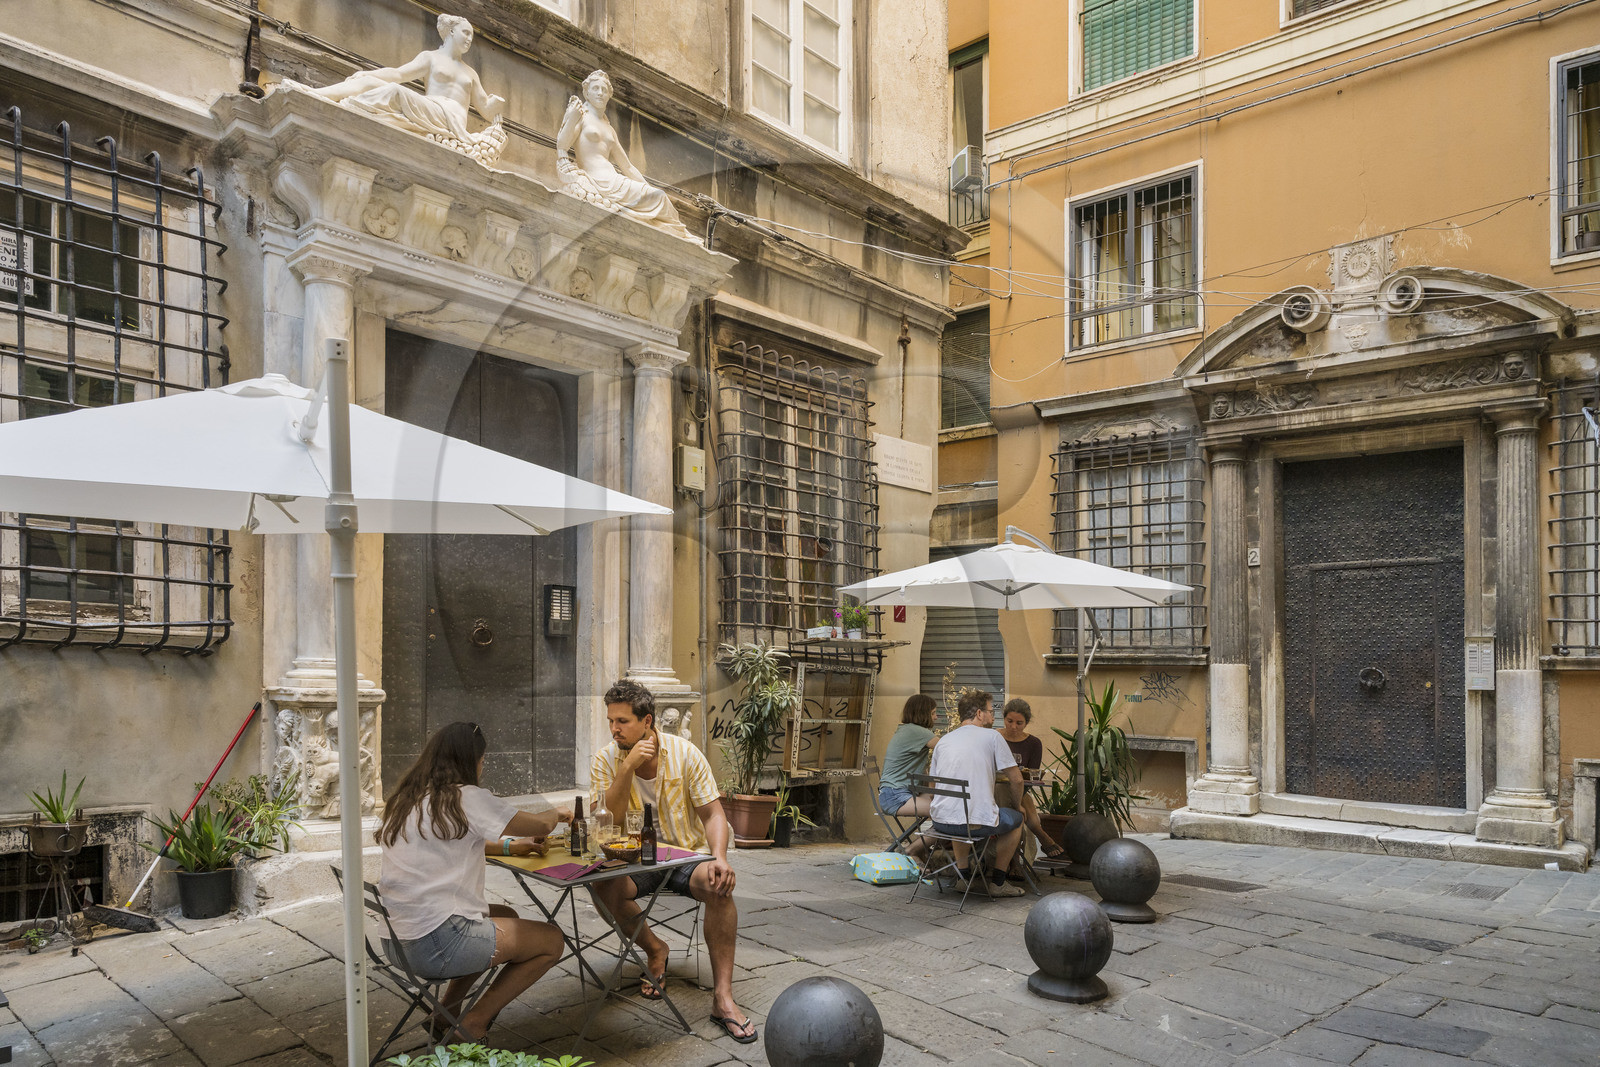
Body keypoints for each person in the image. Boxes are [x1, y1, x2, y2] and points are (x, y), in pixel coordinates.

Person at [589, 680, 758, 1044]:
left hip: (685, 856)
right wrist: (626, 769)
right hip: (633, 858)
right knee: (601, 885)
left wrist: (720, 859)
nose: (614, 729)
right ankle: (655, 949)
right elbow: (607, 822)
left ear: (647, 721)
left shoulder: (685, 753)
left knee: (719, 886)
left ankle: (723, 998)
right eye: (610, 721)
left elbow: (714, 814)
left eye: (622, 721)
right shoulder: (606, 759)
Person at [378, 722, 569, 1043]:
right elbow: (539, 824)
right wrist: (558, 813)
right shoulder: (467, 797)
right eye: (482, 760)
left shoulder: (409, 799)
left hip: (396, 943)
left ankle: (445, 1012)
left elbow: (455, 838)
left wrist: (511, 846)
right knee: (551, 941)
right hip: (436, 946)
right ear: (472, 761)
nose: (483, 766)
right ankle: (473, 1023)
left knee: (504, 915)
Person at [308, 14, 506, 160]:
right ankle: (316, 94)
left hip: (451, 121)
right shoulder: (431, 58)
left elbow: (485, 109)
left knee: (394, 91)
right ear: (452, 31)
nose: (469, 39)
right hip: (431, 109)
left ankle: (327, 97)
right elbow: (399, 74)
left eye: (471, 35)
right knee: (372, 83)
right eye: (466, 33)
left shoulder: (470, 73)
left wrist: (495, 105)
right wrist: (369, 73)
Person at [556, 70, 694, 238]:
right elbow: (562, 145)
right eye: (596, 88)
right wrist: (571, 118)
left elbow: (627, 166)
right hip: (597, 180)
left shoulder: (610, 130)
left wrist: (648, 189)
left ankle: (679, 231)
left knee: (659, 197)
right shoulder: (581, 116)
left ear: (609, 96)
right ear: (586, 92)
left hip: (614, 181)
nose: (600, 93)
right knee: (659, 198)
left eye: (604, 90)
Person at [926, 690, 1027, 897]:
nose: (993, 716)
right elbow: (1017, 779)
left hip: (940, 823)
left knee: (959, 810)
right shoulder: (993, 737)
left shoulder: (943, 741)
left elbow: (932, 785)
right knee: (1017, 819)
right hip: (976, 824)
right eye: (991, 711)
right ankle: (998, 883)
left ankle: (963, 879)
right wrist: (1018, 806)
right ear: (979, 714)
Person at [999, 698, 1064, 858]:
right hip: (994, 790)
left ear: (1026, 723)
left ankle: (1014, 862)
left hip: (1019, 790)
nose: (1013, 726)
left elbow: (1031, 776)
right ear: (1004, 718)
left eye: (1019, 723)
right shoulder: (995, 737)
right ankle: (1043, 836)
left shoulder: (1034, 743)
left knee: (1023, 809)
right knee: (1025, 814)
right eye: (1009, 721)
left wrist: (1017, 793)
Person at [878, 694, 938, 853]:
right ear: (923, 714)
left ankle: (927, 850)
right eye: (933, 713)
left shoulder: (908, 729)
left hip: (894, 792)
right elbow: (948, 748)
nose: (936, 717)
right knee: (949, 813)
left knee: (950, 807)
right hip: (895, 796)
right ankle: (911, 851)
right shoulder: (918, 732)